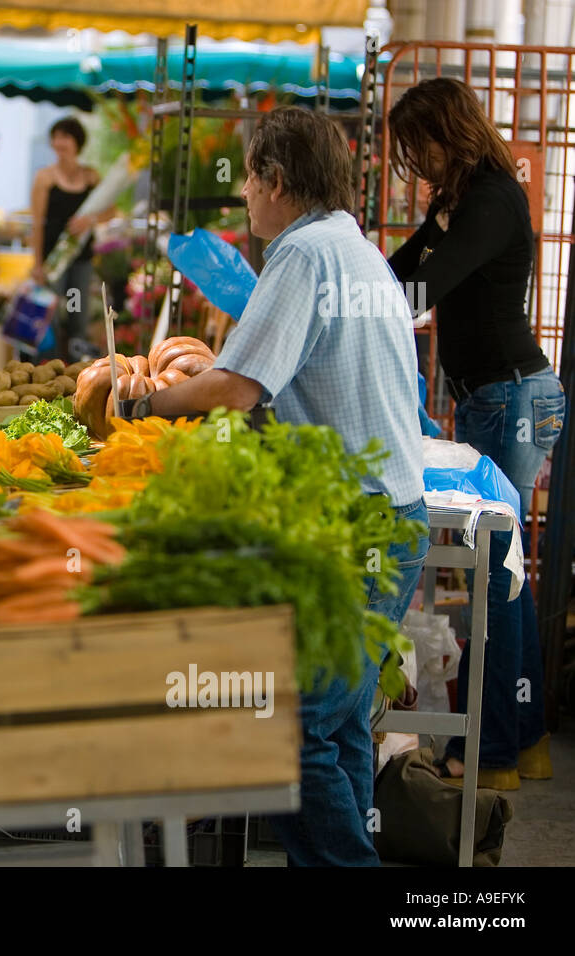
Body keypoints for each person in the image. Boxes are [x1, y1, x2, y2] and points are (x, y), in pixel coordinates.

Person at [122, 107, 429, 866]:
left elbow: (237, 388)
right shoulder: (361, 253)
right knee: (344, 725)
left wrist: (146, 403)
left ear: (276, 181)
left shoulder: (302, 256)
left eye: (251, 183)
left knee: (292, 732)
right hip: (395, 514)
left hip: (356, 524)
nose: (246, 200)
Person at [387, 77, 567, 791]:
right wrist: (346, 283)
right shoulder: (456, 200)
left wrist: (366, 309)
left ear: (446, 129)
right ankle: (521, 744)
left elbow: (430, 288)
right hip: (492, 399)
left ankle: (489, 756)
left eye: (417, 145)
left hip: (516, 399)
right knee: (505, 576)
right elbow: (402, 268)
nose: (414, 163)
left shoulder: (494, 196)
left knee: (497, 577)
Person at [30, 117, 104, 361]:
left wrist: (89, 220)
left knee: (77, 315)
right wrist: (37, 264)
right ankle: (48, 371)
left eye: (65, 137)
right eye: (56, 137)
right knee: (49, 319)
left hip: (81, 260)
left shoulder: (91, 177)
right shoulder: (45, 178)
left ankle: (75, 375)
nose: (59, 142)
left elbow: (112, 211)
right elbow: (37, 224)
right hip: (53, 261)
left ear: (77, 142)